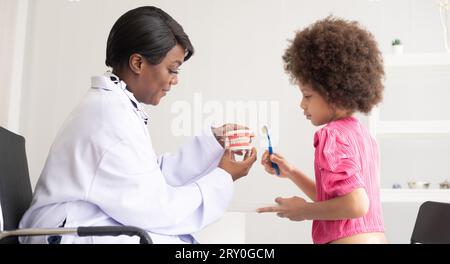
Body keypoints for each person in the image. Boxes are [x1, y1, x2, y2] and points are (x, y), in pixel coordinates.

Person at [19, 6, 257, 244]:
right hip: (61, 233)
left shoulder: (115, 106)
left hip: (76, 222)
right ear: (138, 63)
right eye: (172, 69)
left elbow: (149, 178)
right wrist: (224, 177)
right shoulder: (109, 118)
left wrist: (212, 144)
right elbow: (157, 209)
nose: (175, 80)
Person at [257, 16, 387, 244]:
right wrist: (291, 172)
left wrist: (304, 211)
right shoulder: (362, 134)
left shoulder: (332, 135)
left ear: (335, 93)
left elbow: (356, 204)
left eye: (307, 96)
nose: (302, 104)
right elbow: (337, 203)